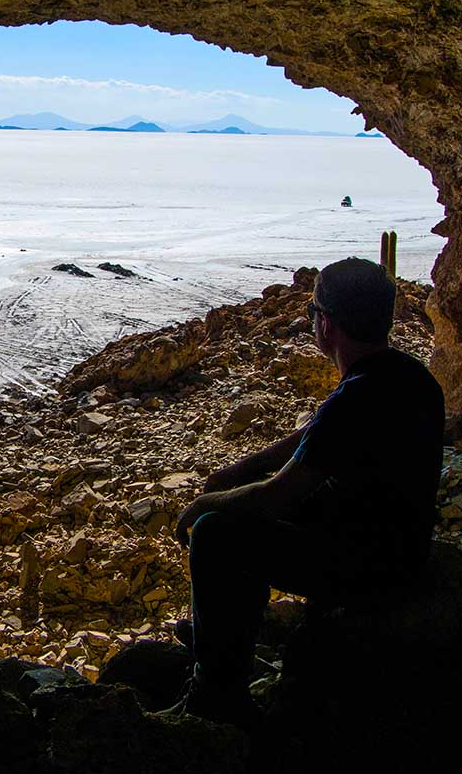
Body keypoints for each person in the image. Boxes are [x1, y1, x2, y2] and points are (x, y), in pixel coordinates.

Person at [169, 257, 445, 728]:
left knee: (218, 533)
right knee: (241, 514)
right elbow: (313, 438)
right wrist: (238, 470)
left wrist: (201, 505)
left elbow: (280, 496)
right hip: (396, 541)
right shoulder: (405, 375)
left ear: (327, 325)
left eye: (313, 310)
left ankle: (216, 692)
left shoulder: (355, 399)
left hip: (370, 566)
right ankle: (225, 635)